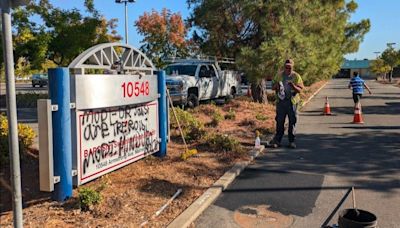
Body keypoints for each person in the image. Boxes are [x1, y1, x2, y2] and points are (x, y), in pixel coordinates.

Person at [269, 59, 304, 149]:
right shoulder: (279, 75)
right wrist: (276, 86)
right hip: (281, 102)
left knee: (292, 121)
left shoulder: (296, 76)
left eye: (290, 67)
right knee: (280, 122)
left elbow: (300, 89)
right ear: (284, 67)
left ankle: (291, 141)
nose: (288, 69)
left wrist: (293, 86)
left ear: (293, 67)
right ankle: (277, 141)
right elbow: (272, 87)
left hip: (292, 102)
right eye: (286, 67)